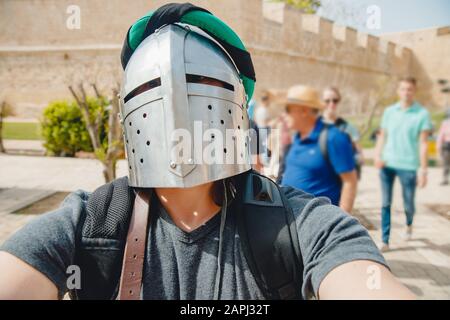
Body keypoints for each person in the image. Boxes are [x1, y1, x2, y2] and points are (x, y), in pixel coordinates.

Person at [0, 4, 414, 300]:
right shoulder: (92, 225)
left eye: (201, 86)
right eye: (151, 90)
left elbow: (358, 276)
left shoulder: (301, 224)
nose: (177, 108)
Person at [278, 85, 359, 213]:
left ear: (304, 111)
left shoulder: (334, 137)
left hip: (319, 224)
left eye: (288, 109)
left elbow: (350, 181)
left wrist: (341, 222)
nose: (284, 114)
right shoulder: (297, 138)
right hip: (292, 220)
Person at [374, 77, 432, 252]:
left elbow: (423, 144)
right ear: (398, 91)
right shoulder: (389, 112)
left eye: (410, 89)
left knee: (408, 203)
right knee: (385, 202)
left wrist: (423, 170)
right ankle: (385, 240)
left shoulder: (422, 114)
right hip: (387, 163)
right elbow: (382, 136)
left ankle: (409, 223)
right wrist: (377, 155)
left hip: (408, 165)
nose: (406, 92)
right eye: (403, 89)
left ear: (414, 91)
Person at [322, 87, 364, 179]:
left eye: (335, 100)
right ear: (321, 102)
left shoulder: (348, 127)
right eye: (327, 101)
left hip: (339, 178)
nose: (331, 104)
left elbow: (359, 154)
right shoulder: (312, 125)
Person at [437, 109, 450, 185]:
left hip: (446, 145)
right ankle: (445, 179)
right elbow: (441, 135)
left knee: (446, 163)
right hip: (447, 145)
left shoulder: (445, 123)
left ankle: (445, 179)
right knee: (446, 163)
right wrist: (438, 146)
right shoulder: (445, 123)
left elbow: (440, 135)